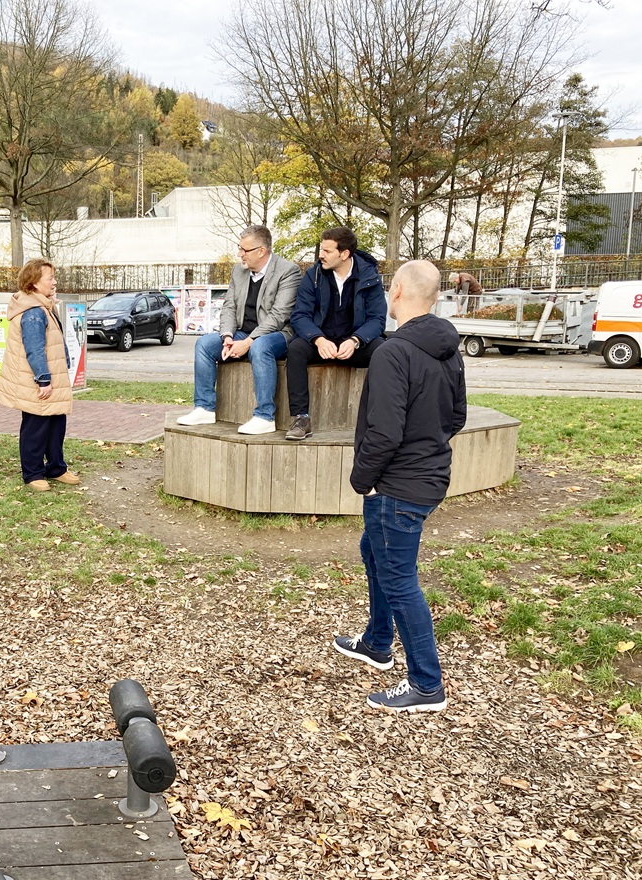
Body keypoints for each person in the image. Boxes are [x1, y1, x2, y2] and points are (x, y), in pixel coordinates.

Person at [333, 260, 467, 713]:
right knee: (374, 551)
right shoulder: (449, 347)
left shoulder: (394, 352)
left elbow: (384, 432)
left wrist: (363, 480)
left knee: (399, 578)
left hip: (397, 487)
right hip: (426, 477)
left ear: (397, 293)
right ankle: (376, 642)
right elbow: (457, 418)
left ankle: (427, 685)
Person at [175, 225, 301, 434]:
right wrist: (227, 336)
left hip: (278, 334)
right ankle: (204, 408)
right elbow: (229, 307)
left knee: (259, 347)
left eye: (245, 250)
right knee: (205, 344)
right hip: (242, 332)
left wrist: (248, 342)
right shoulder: (239, 270)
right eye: (239, 248)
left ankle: (264, 416)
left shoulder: (288, 271)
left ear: (261, 251)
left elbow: (279, 316)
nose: (239, 254)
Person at [284, 226, 387, 441]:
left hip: (355, 344)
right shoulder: (313, 275)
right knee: (295, 349)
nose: (320, 255)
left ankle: (378, 418)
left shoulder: (370, 277)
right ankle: (301, 418)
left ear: (345, 254)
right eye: (321, 249)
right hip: (321, 341)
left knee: (383, 351)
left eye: (327, 251)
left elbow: (377, 319)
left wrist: (356, 340)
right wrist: (318, 339)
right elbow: (300, 315)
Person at [0, 257, 78, 491]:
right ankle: (32, 473)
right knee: (36, 427)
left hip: (52, 379)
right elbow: (35, 350)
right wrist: (43, 380)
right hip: (40, 381)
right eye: (50, 278)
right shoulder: (32, 312)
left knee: (55, 423)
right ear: (34, 283)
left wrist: (51, 303)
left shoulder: (40, 306)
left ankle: (56, 468)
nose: (54, 282)